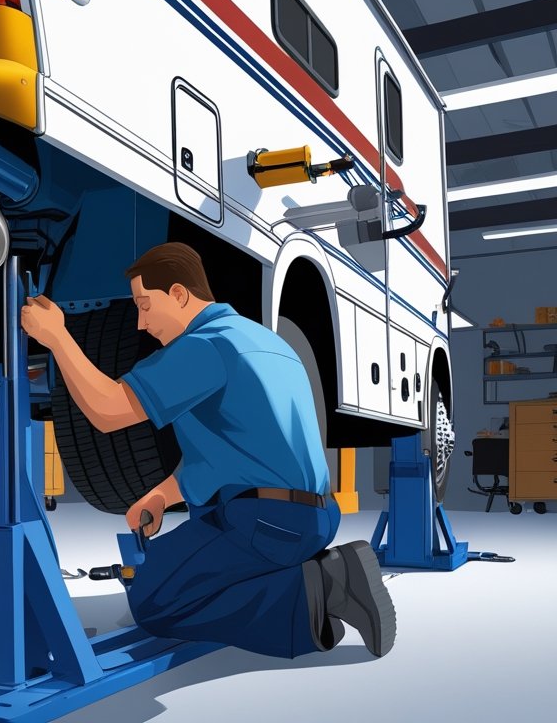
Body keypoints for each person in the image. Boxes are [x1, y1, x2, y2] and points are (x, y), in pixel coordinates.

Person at [21, 242, 395, 659]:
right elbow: (237, 452)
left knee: (153, 601)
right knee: (165, 563)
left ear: (179, 294)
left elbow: (109, 411)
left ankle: (320, 589)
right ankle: (310, 574)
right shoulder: (264, 341)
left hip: (267, 524)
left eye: (145, 305)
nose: (141, 324)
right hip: (314, 517)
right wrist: (163, 494)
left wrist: (56, 336)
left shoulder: (204, 346)